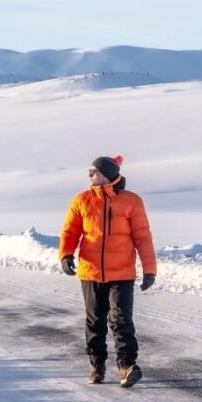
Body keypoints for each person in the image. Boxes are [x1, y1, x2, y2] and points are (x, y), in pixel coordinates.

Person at [59, 154, 157, 387]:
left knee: (121, 320)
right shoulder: (81, 200)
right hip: (91, 271)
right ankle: (97, 365)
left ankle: (127, 366)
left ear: (108, 174)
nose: (90, 175)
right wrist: (65, 255)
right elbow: (70, 232)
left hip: (122, 273)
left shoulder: (131, 201)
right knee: (95, 321)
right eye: (89, 171)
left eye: (95, 171)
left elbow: (142, 236)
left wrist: (149, 269)